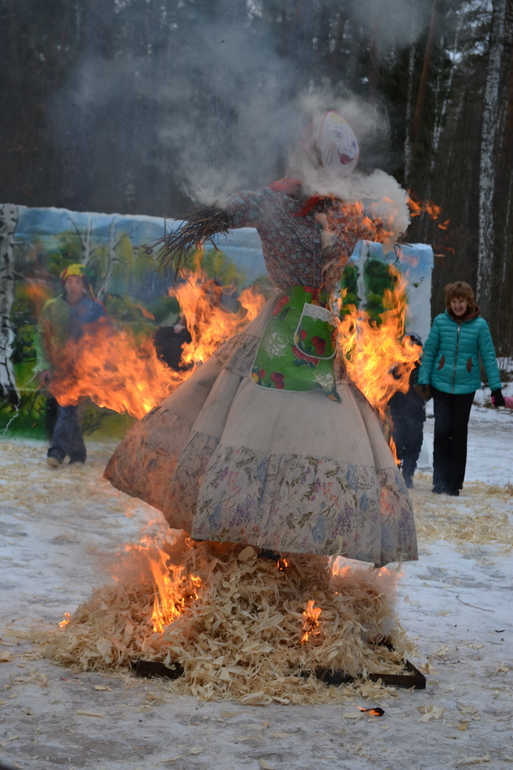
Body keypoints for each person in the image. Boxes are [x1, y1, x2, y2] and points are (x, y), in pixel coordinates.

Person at [105, 111, 418, 567]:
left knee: (250, 418)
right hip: (315, 330)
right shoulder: (349, 212)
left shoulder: (278, 203)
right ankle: (276, 533)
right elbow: (391, 223)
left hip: (280, 324)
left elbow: (228, 210)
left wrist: (210, 219)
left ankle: (253, 528)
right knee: (312, 428)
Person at [417, 281, 505, 496]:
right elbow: (429, 353)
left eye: (461, 301)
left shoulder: (479, 326)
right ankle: (439, 482)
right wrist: (423, 380)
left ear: (469, 302)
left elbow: (489, 357)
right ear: (449, 302)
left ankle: (454, 484)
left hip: (466, 388)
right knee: (441, 432)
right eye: (454, 301)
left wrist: (496, 388)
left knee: (458, 434)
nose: (457, 305)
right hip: (441, 385)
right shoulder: (440, 322)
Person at [34, 263, 106, 467]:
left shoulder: (94, 308)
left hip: (83, 369)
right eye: (70, 281)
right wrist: (43, 365)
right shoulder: (52, 307)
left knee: (67, 409)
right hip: (58, 367)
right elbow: (41, 337)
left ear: (85, 284)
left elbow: (105, 340)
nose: (74, 286)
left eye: (79, 281)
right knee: (68, 410)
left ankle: (56, 452)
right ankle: (77, 452)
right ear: (64, 284)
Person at [388, 333, 426, 488]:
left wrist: (423, 397)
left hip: (416, 414)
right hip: (397, 414)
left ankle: (408, 475)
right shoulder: (395, 368)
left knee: (414, 445)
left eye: (414, 345)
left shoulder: (422, 369)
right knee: (395, 444)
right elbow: (387, 389)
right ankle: (394, 473)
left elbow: (427, 390)